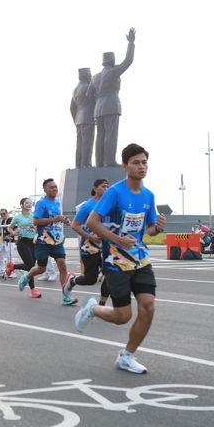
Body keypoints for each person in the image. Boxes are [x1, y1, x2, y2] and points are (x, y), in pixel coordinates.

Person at [75, 143, 167, 374]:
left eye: (144, 162)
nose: (141, 166)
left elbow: (148, 230)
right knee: (122, 316)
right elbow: (92, 222)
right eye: (136, 163)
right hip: (116, 261)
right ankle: (93, 309)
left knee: (148, 306)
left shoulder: (148, 195)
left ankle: (127, 356)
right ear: (125, 166)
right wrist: (117, 239)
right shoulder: (114, 193)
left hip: (140, 259)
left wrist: (157, 227)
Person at [18, 179, 76, 305]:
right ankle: (26, 276)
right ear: (45, 190)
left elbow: (57, 218)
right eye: (51, 187)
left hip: (57, 240)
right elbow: (36, 221)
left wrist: (64, 220)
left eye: (55, 187)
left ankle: (66, 297)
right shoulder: (41, 203)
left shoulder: (58, 202)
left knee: (62, 266)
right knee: (41, 268)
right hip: (43, 241)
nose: (54, 189)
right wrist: (55, 219)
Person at [88, 28, 136, 167]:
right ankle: (109, 161)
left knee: (100, 136)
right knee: (110, 135)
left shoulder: (95, 77)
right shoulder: (113, 72)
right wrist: (131, 43)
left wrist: (96, 105)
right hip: (111, 106)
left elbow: (89, 95)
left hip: (98, 109)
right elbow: (128, 60)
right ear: (112, 61)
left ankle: (99, 163)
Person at [65, 179, 111, 306]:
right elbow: (75, 225)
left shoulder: (109, 204)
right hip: (90, 246)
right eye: (103, 186)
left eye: (108, 186)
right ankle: (72, 281)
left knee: (110, 274)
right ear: (95, 188)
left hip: (107, 246)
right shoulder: (87, 206)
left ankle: (101, 305)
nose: (106, 189)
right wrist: (91, 237)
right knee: (90, 279)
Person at [7, 198, 40, 297]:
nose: (29, 204)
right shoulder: (17, 217)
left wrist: (35, 227)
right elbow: (9, 227)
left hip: (33, 242)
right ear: (21, 205)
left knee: (32, 266)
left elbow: (39, 228)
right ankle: (33, 290)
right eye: (27, 203)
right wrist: (14, 233)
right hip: (23, 242)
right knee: (31, 267)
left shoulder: (34, 216)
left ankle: (13, 266)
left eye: (30, 203)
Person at [0, 209, 15, 278]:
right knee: (0, 256)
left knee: (10, 257)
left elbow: (15, 229)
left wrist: (9, 235)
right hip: (2, 241)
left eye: (4, 213)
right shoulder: (2, 221)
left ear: (7, 213)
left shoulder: (11, 219)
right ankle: (1, 271)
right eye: (1, 214)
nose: (2, 215)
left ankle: (12, 272)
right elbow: (1, 231)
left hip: (10, 241)